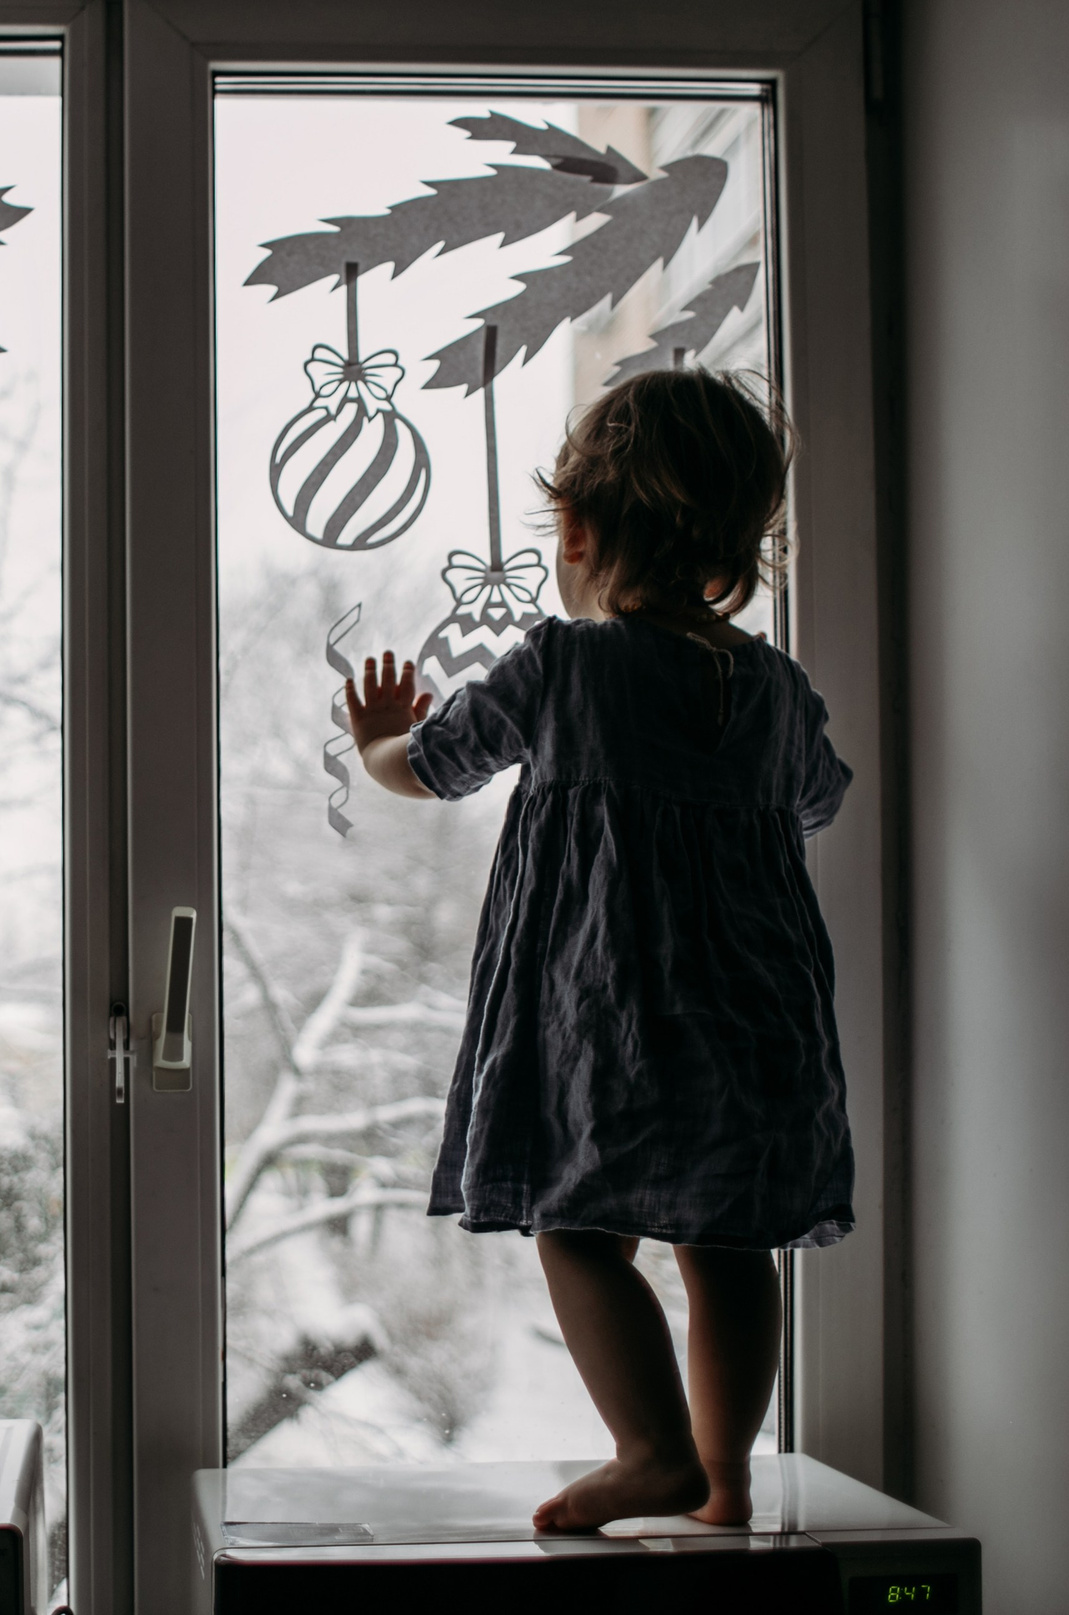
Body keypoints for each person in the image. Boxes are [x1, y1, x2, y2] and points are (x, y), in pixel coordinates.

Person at [344, 368, 855, 1532]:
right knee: (728, 1242)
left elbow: (436, 767)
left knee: (579, 1226)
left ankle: (651, 1450)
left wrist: (378, 740)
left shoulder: (566, 666)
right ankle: (726, 1482)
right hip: (762, 1018)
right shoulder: (777, 692)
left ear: (575, 528)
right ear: (740, 540)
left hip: (610, 1010)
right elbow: (820, 801)